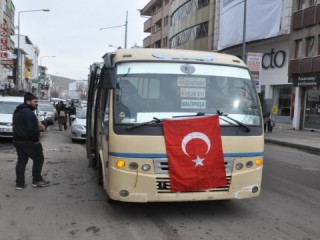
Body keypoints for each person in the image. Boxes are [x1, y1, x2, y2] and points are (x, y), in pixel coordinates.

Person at [12, 92, 50, 190]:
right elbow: (30, 129)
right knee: (39, 159)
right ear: (28, 101)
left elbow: (24, 125)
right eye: (35, 101)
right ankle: (37, 180)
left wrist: (37, 125)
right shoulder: (28, 113)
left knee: (22, 161)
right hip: (29, 142)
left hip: (18, 140)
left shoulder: (18, 110)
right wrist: (37, 137)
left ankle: (19, 183)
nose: (36, 103)